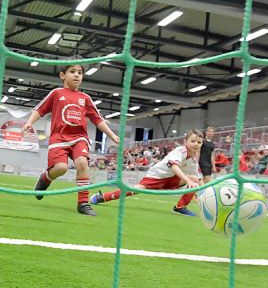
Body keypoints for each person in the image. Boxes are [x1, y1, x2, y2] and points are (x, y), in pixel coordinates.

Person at [25, 64, 120, 216]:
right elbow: (40, 109)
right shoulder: (56, 93)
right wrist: (29, 122)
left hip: (79, 138)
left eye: (80, 73)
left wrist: (112, 135)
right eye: (72, 72)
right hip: (59, 139)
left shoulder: (85, 98)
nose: (77, 75)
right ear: (63, 75)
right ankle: (45, 178)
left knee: (82, 163)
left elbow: (98, 119)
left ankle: (83, 203)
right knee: (61, 168)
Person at [90, 129, 203, 216]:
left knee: (194, 179)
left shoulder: (193, 160)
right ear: (185, 141)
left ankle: (180, 207)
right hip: (157, 177)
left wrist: (205, 193)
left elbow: (198, 178)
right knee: (134, 190)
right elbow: (174, 166)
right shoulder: (179, 151)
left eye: (199, 142)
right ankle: (104, 197)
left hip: (170, 180)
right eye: (193, 141)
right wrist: (187, 180)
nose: (196, 144)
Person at [173, 125, 216, 213]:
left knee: (205, 181)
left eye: (212, 131)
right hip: (202, 162)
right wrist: (196, 161)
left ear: (213, 133)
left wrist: (214, 166)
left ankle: (196, 193)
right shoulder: (201, 141)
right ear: (206, 132)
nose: (210, 133)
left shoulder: (212, 144)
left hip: (208, 163)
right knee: (204, 180)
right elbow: (197, 151)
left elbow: (212, 155)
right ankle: (198, 195)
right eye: (209, 131)